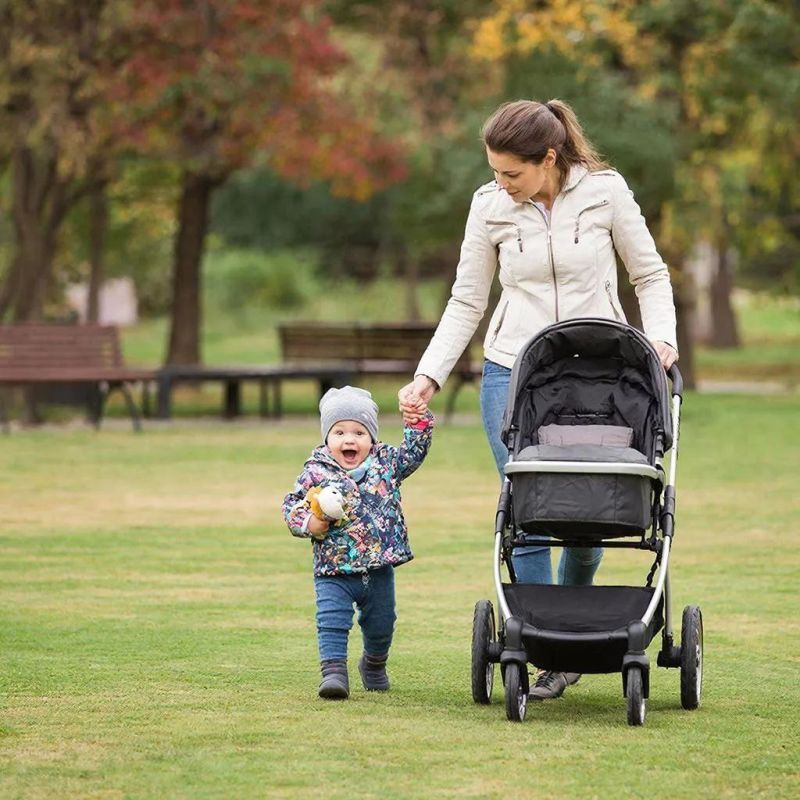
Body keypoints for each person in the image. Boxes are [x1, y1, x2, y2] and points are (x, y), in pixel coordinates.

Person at [398, 98, 678, 700]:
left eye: (512, 173)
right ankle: (539, 644)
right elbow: (467, 300)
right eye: (495, 171)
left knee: (588, 515)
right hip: (513, 373)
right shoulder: (488, 206)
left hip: (600, 374)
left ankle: (573, 631)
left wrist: (661, 340)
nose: (502, 183)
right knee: (529, 508)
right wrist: (428, 376)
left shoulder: (605, 192)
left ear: (548, 158)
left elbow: (650, 275)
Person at [282, 385, 434, 700]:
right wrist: (311, 523)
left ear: (372, 438)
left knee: (382, 623)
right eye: (339, 432)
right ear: (327, 438)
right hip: (333, 569)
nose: (349, 440)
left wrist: (417, 421)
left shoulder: (386, 462)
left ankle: (374, 664)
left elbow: (414, 453)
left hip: (378, 567)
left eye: (359, 432)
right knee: (332, 621)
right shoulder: (316, 471)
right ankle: (334, 673)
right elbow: (292, 506)